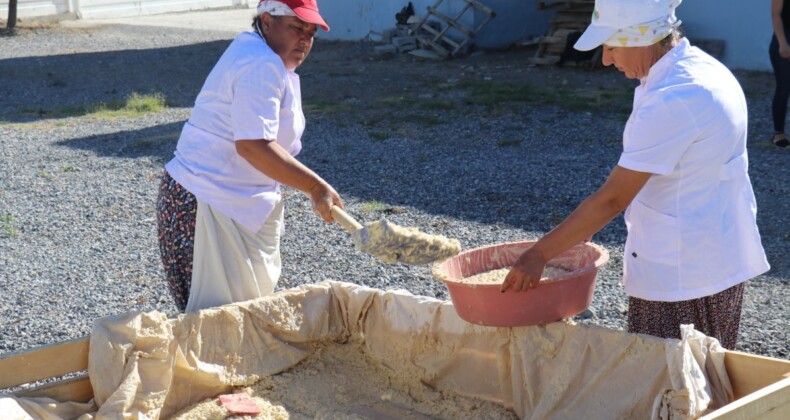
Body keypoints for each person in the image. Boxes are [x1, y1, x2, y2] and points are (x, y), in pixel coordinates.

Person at [501, 0, 770, 350]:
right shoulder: (703, 70)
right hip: (713, 254)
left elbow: (612, 199)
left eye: (611, 47)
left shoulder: (674, 98)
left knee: (669, 385)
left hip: (680, 274)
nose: (607, 60)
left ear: (641, 39)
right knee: (708, 377)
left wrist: (537, 255)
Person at [156, 0, 342, 313]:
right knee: (223, 324)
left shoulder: (260, 55)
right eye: (296, 28)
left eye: (311, 33)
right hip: (210, 203)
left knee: (230, 323)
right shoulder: (260, 63)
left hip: (216, 198)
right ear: (267, 21)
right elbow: (253, 146)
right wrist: (315, 187)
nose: (304, 40)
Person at [770, 0, 790, 147]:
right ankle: (779, 134)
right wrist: (783, 43)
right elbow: (775, 15)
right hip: (784, 42)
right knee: (784, 88)